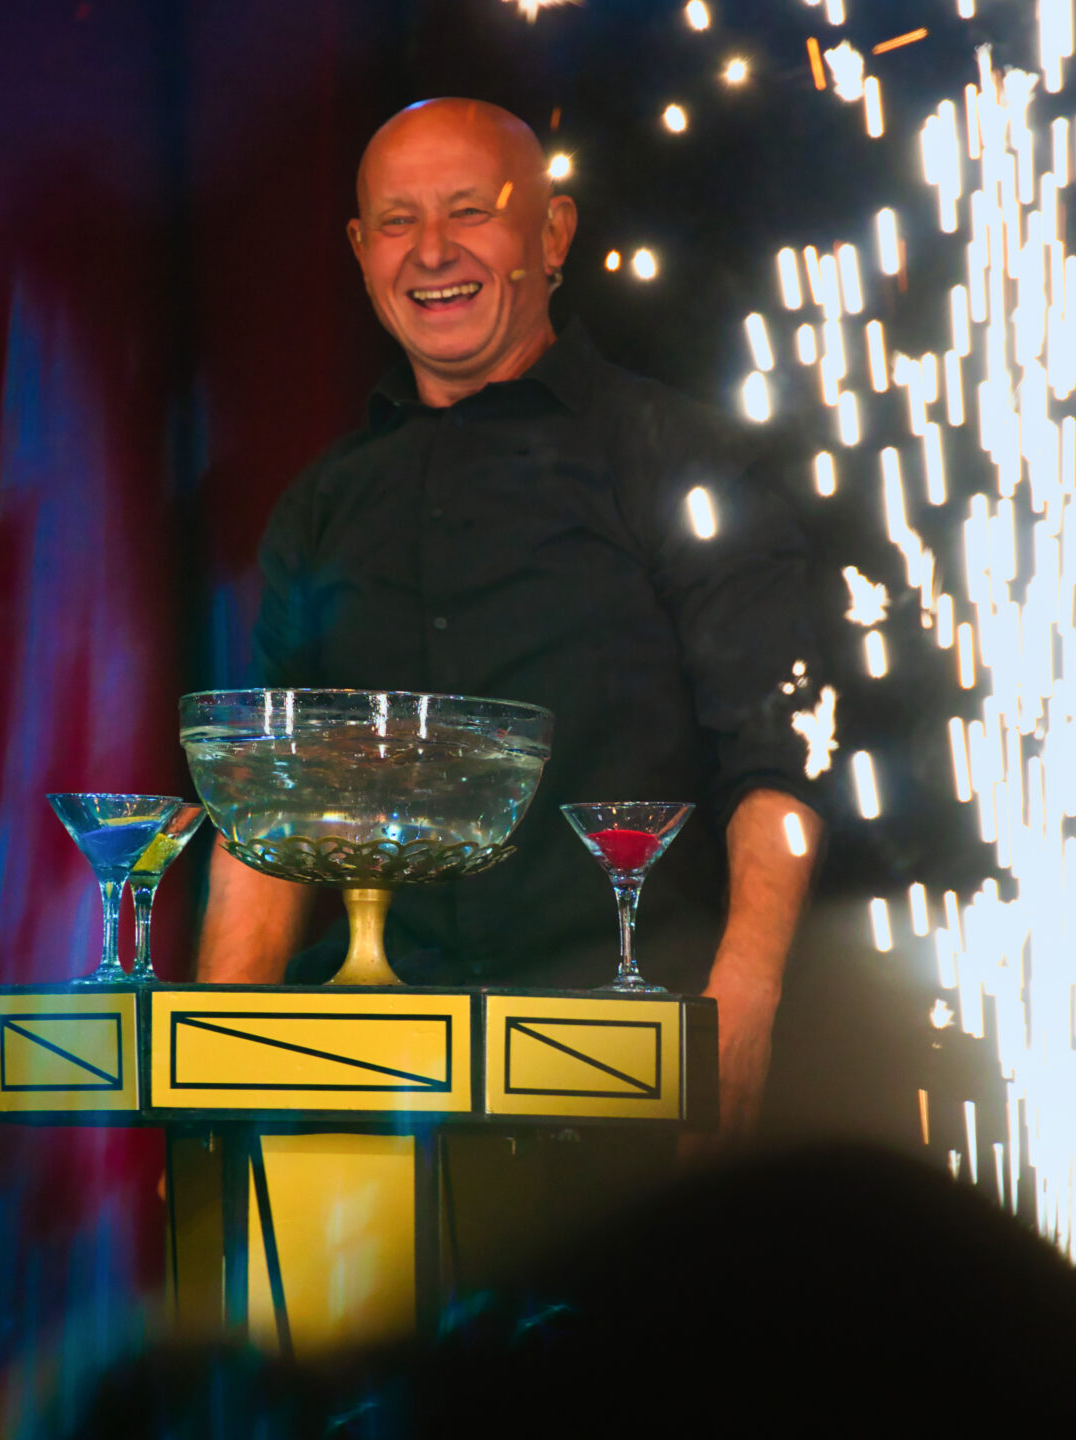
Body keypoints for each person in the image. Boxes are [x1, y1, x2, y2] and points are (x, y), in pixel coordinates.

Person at [193, 98, 824, 1140]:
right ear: (360, 252)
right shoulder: (322, 506)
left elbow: (777, 763)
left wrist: (742, 1007)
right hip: (369, 1092)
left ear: (553, 233)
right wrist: (212, 1089)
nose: (432, 251)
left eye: (469, 210)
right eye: (396, 222)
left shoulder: (683, 460)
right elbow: (266, 812)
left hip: (625, 1072)